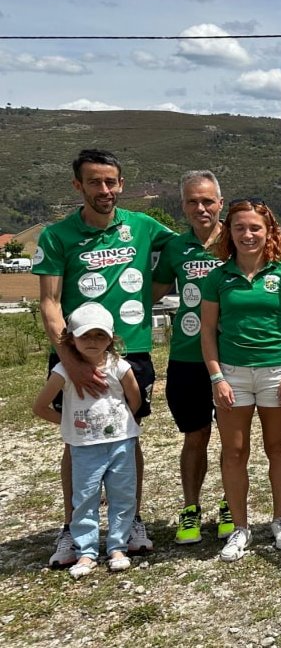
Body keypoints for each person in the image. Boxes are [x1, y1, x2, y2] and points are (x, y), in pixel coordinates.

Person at [33, 149, 176, 567]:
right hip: (76, 353)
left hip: (130, 352)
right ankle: (71, 527)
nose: (104, 190)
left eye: (111, 181)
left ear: (122, 185)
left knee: (128, 437)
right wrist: (70, 358)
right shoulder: (57, 236)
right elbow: (49, 302)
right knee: (76, 440)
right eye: (94, 182)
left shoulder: (144, 226)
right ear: (78, 186)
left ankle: (129, 521)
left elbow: (190, 248)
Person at [201, 198, 281, 562]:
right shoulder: (217, 277)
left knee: (278, 448)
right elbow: (208, 332)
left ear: (269, 232)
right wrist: (217, 377)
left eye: (255, 228)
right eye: (240, 228)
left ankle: (280, 520)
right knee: (233, 452)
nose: (248, 234)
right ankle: (241, 528)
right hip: (232, 374)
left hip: (276, 372)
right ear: (229, 232)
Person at [32, 303, 141, 578]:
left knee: (123, 496)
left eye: (100, 336)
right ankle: (86, 552)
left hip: (121, 443)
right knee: (84, 499)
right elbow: (40, 406)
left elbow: (135, 398)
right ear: (71, 338)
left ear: (111, 338)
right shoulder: (63, 371)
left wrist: (123, 421)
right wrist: (67, 423)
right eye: (85, 336)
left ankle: (118, 547)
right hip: (83, 447)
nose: (93, 342)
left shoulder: (119, 366)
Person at [153, 171, 233, 545]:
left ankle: (230, 503)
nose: (200, 208)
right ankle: (190, 508)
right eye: (192, 202)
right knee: (195, 435)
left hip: (233, 355)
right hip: (186, 356)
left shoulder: (238, 239)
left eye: (207, 201)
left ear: (221, 202)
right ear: (182, 206)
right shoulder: (174, 247)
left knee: (233, 438)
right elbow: (146, 297)